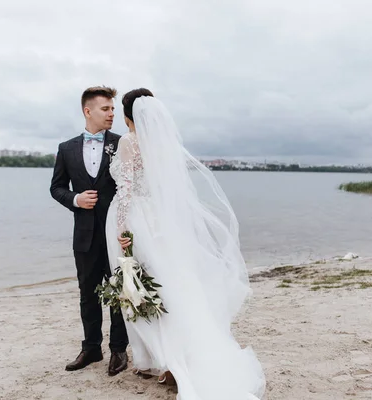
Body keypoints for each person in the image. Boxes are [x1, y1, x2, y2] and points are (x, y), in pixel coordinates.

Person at [105, 89, 266, 399]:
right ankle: (172, 358)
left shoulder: (129, 142)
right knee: (170, 284)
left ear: (128, 117)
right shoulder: (163, 147)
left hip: (136, 218)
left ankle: (163, 359)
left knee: (140, 285)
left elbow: (125, 189)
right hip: (163, 221)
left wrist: (122, 228)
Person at [50, 86, 129, 376]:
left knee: (119, 291)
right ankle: (92, 348)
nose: (111, 114)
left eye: (112, 108)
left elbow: (132, 189)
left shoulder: (123, 144)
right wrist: (75, 199)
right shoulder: (66, 148)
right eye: (105, 109)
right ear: (88, 111)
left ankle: (118, 350)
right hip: (84, 235)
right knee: (88, 293)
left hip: (116, 234)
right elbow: (56, 187)